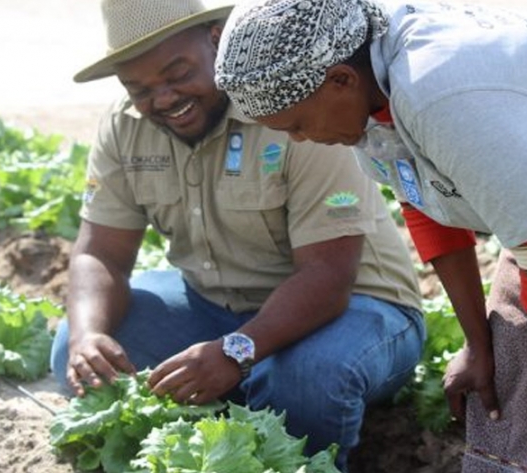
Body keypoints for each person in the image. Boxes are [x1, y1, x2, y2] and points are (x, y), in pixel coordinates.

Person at [214, 0, 527, 471]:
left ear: (340, 79)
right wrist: (478, 345)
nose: (302, 140)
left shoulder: (444, 93)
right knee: (507, 377)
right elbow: (427, 207)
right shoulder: (367, 101)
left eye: (298, 125)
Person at [48, 0, 427, 470]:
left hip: (354, 308)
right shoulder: (124, 126)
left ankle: (287, 425)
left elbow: (329, 274)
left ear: (214, 39)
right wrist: (90, 337)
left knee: (305, 380)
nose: (163, 98)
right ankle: (235, 410)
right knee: (78, 348)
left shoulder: (291, 104)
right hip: (217, 309)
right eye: (139, 88)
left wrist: (236, 351)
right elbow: (100, 253)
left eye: (176, 73)